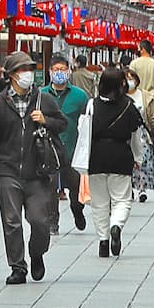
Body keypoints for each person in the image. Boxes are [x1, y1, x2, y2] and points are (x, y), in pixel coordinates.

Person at [0, 52, 67, 284]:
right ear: (11, 75)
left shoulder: (43, 100)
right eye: (22, 70)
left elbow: (62, 123)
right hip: (7, 170)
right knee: (11, 221)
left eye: (29, 69)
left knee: (40, 221)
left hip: (37, 171)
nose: (27, 74)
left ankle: (37, 253)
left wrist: (46, 120)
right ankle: (17, 266)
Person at [88, 66, 145, 259]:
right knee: (122, 199)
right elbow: (136, 135)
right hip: (120, 154)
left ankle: (103, 242)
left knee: (99, 203)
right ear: (122, 84)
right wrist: (138, 158)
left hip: (95, 156)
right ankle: (116, 225)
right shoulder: (129, 106)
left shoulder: (91, 105)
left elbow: (84, 133)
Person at [41, 52, 89, 234]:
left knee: (76, 190)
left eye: (62, 69)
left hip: (72, 150)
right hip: (48, 150)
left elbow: (86, 124)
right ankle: (53, 222)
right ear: (50, 71)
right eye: (55, 69)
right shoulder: (41, 94)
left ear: (69, 71)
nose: (59, 72)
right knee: (50, 188)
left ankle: (77, 210)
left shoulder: (80, 96)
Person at [124, 66, 154, 203]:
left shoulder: (146, 96)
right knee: (127, 162)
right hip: (125, 134)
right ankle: (128, 188)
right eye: (126, 79)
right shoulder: (119, 97)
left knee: (144, 161)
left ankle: (142, 188)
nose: (129, 81)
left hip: (143, 133)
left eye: (132, 78)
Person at [129, 39, 154, 104]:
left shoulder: (134, 63)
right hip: (152, 101)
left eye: (139, 49)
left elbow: (130, 81)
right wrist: (150, 94)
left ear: (143, 50)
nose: (138, 51)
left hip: (136, 100)